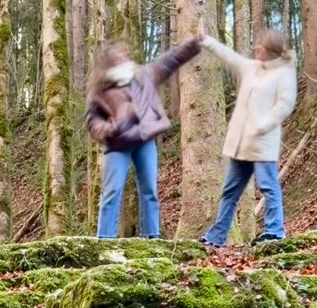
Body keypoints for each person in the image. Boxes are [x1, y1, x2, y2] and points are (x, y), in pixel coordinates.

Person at [85, 36, 202, 239]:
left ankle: (151, 237)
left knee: (149, 191)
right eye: (115, 58)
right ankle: (104, 239)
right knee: (112, 193)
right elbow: (92, 121)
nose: (121, 58)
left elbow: (170, 59)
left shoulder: (143, 75)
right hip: (117, 144)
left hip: (144, 140)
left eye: (122, 55)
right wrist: (108, 128)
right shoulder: (100, 90)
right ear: (107, 63)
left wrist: (194, 43)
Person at [198, 25, 297, 245]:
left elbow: (285, 104)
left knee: (269, 188)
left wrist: (264, 124)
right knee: (229, 192)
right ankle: (217, 236)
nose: (255, 47)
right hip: (241, 145)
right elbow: (229, 57)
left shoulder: (283, 73)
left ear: (271, 49)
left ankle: (275, 231)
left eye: (260, 45)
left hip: (262, 144)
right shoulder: (251, 68)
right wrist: (206, 40)